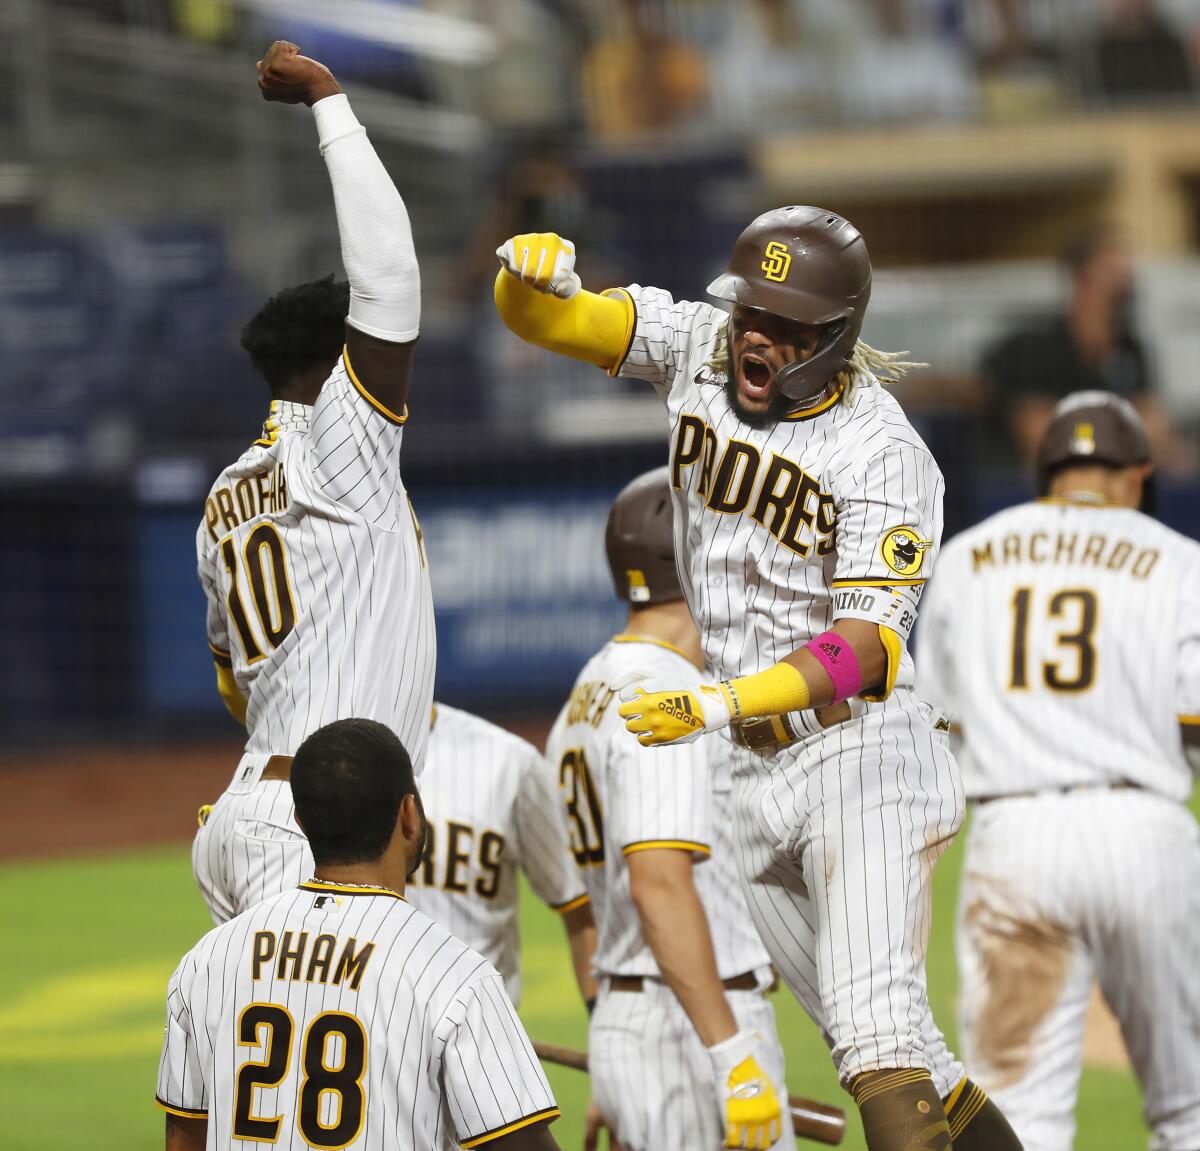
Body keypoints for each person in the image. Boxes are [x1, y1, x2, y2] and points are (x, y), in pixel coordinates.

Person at [494, 213, 1021, 1151]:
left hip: (859, 753)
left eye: (787, 322)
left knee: (873, 1036)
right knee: (910, 1058)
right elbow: (548, 324)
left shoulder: (883, 452)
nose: (756, 334)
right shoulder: (697, 342)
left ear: (834, 336)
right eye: (752, 309)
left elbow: (866, 649)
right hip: (742, 770)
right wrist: (525, 282)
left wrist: (723, 699)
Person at [915, 391, 1200, 1151]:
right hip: (1145, 833)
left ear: (1046, 474)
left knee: (1018, 1118)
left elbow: (935, 727)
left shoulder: (969, 557)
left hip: (1015, 840)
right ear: (1137, 475)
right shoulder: (1178, 560)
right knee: (1189, 1107)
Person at [192, 41, 436, 924]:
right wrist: (331, 102)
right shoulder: (346, 441)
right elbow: (392, 275)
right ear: (339, 365)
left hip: (250, 810)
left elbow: (233, 686)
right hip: (312, 822)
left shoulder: (228, 491)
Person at [157, 718, 563, 1151]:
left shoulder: (206, 963)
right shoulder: (454, 976)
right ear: (409, 814)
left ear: (300, 820)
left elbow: (184, 1139)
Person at [544, 467, 791, 1151]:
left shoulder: (588, 688)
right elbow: (657, 880)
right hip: (687, 1026)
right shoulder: (664, 694)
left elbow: (602, 905)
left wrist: (619, 1060)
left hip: (642, 1018)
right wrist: (732, 1058)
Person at [407, 703, 597, 1009]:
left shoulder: (510, 762)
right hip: (359, 1035)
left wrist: (598, 1014)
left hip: (479, 1036)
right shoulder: (310, 761)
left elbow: (579, 906)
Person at [980, 228, 1190, 473]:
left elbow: (1154, 430)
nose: (1120, 291)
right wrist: (1121, 435)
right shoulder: (1035, 347)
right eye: (1109, 277)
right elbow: (1041, 438)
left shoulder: (1130, 349)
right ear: (1080, 281)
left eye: (1124, 282)